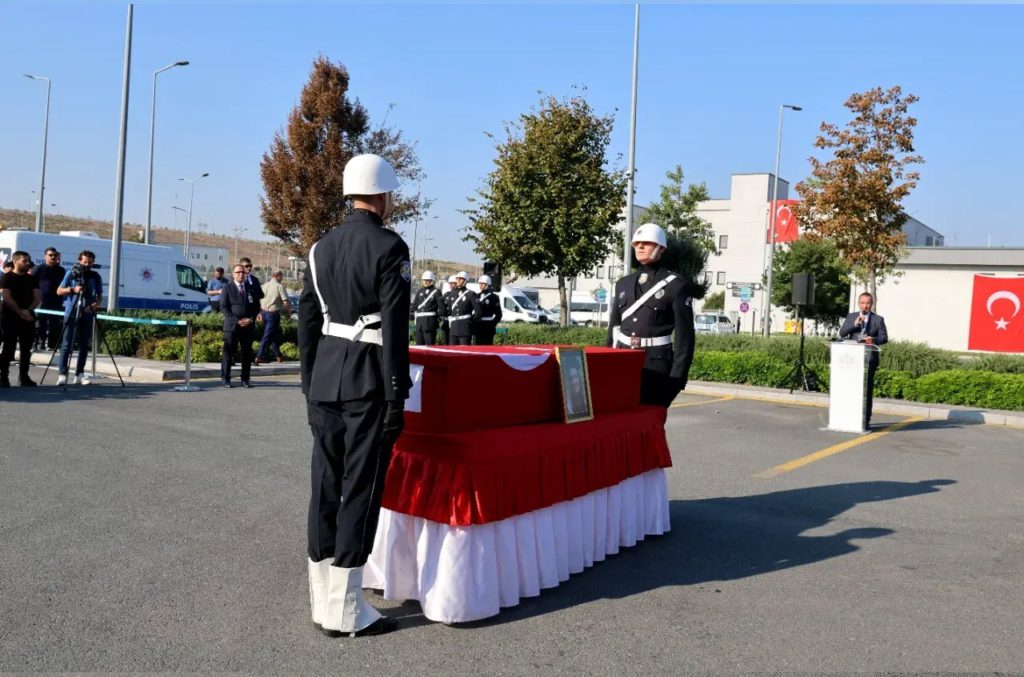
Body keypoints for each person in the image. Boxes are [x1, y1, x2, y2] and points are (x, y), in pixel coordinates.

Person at [299, 153, 410, 638]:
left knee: (325, 484)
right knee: (360, 489)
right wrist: (396, 394)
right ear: (383, 196)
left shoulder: (319, 247)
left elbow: (306, 320)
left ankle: (323, 601)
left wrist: (309, 382)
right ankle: (347, 610)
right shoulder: (390, 247)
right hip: (367, 381)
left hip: (324, 378)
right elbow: (395, 329)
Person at [606, 223, 696, 407]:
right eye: (636, 243)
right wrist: (606, 364)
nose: (639, 247)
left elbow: (685, 339)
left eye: (646, 243)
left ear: (660, 248)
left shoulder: (675, 285)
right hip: (622, 364)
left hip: (656, 367)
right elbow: (613, 330)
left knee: (650, 424)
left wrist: (677, 379)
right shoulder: (623, 284)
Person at [839, 292, 889, 428]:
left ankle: (865, 419)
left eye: (868, 303)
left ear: (871, 304)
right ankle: (850, 416)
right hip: (852, 360)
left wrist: (873, 339)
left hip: (869, 359)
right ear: (858, 303)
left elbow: (884, 338)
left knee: (866, 391)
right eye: (862, 303)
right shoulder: (851, 317)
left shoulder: (878, 319)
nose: (865, 305)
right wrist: (854, 325)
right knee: (852, 389)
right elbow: (842, 333)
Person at [56, 250, 103, 387]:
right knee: (67, 344)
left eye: (90, 262)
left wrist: (95, 305)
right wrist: (73, 289)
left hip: (87, 313)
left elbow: (99, 295)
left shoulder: (95, 276)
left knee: (84, 345)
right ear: (79, 261)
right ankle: (62, 374)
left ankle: (79, 374)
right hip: (71, 312)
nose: (87, 264)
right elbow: (59, 291)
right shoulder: (71, 273)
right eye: (85, 262)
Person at [0, 251, 41, 387]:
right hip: (10, 317)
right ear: (15, 261)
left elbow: (37, 298)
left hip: (28, 317)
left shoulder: (32, 279)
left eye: (28, 260)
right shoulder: (7, 277)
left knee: (26, 349)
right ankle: (3, 377)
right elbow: (7, 297)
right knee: (8, 347)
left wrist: (28, 311)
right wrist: (20, 311)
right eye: (24, 260)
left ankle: (24, 377)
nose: (28, 263)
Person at [220, 264, 260, 388]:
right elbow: (224, 307)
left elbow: (256, 307)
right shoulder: (228, 288)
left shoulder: (251, 288)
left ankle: (245, 379)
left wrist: (251, 319)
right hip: (232, 326)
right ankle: (226, 378)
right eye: (238, 272)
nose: (241, 274)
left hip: (247, 326)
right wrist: (237, 321)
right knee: (228, 352)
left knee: (246, 353)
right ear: (233, 274)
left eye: (243, 272)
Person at [32, 247, 65, 350]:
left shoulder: (60, 270)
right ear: (45, 256)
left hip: (56, 301)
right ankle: (39, 342)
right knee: (40, 323)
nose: (53, 257)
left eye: (55, 255)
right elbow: (31, 282)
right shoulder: (39, 269)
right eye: (50, 255)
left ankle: (52, 344)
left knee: (54, 324)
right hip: (42, 300)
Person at [256, 270, 292, 364]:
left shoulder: (264, 285)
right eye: (282, 277)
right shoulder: (279, 286)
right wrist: (289, 313)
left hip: (263, 313)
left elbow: (259, 299)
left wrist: (259, 313)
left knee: (273, 335)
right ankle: (260, 356)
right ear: (279, 276)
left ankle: (279, 355)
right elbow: (285, 301)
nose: (282, 279)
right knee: (267, 335)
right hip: (273, 314)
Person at [447, 271, 481, 346]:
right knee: (452, 352)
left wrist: (470, 322)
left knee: (464, 352)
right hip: (454, 327)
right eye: (457, 278)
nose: (458, 280)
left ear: (465, 281)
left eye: (461, 279)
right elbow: (449, 311)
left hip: (465, 328)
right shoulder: (452, 294)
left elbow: (478, 311)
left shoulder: (471, 294)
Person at [411, 270, 444, 345]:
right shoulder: (419, 291)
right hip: (419, 323)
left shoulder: (436, 291)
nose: (426, 282)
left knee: (430, 346)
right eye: (424, 280)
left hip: (430, 323)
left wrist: (435, 318)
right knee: (419, 346)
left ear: (432, 281)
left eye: (428, 280)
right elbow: (414, 307)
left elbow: (442, 309)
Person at [474, 274, 502, 345]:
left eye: (483, 284)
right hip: (478, 326)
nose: (480, 285)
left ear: (488, 284)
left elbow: (499, 314)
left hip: (488, 326)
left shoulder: (493, 297)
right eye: (480, 283)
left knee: (487, 347)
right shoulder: (477, 296)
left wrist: (492, 324)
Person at [440, 274, 458, 345]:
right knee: (446, 342)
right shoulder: (446, 294)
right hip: (446, 322)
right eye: (450, 283)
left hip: (455, 322)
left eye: (453, 283)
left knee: (453, 343)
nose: (451, 285)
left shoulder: (459, 294)